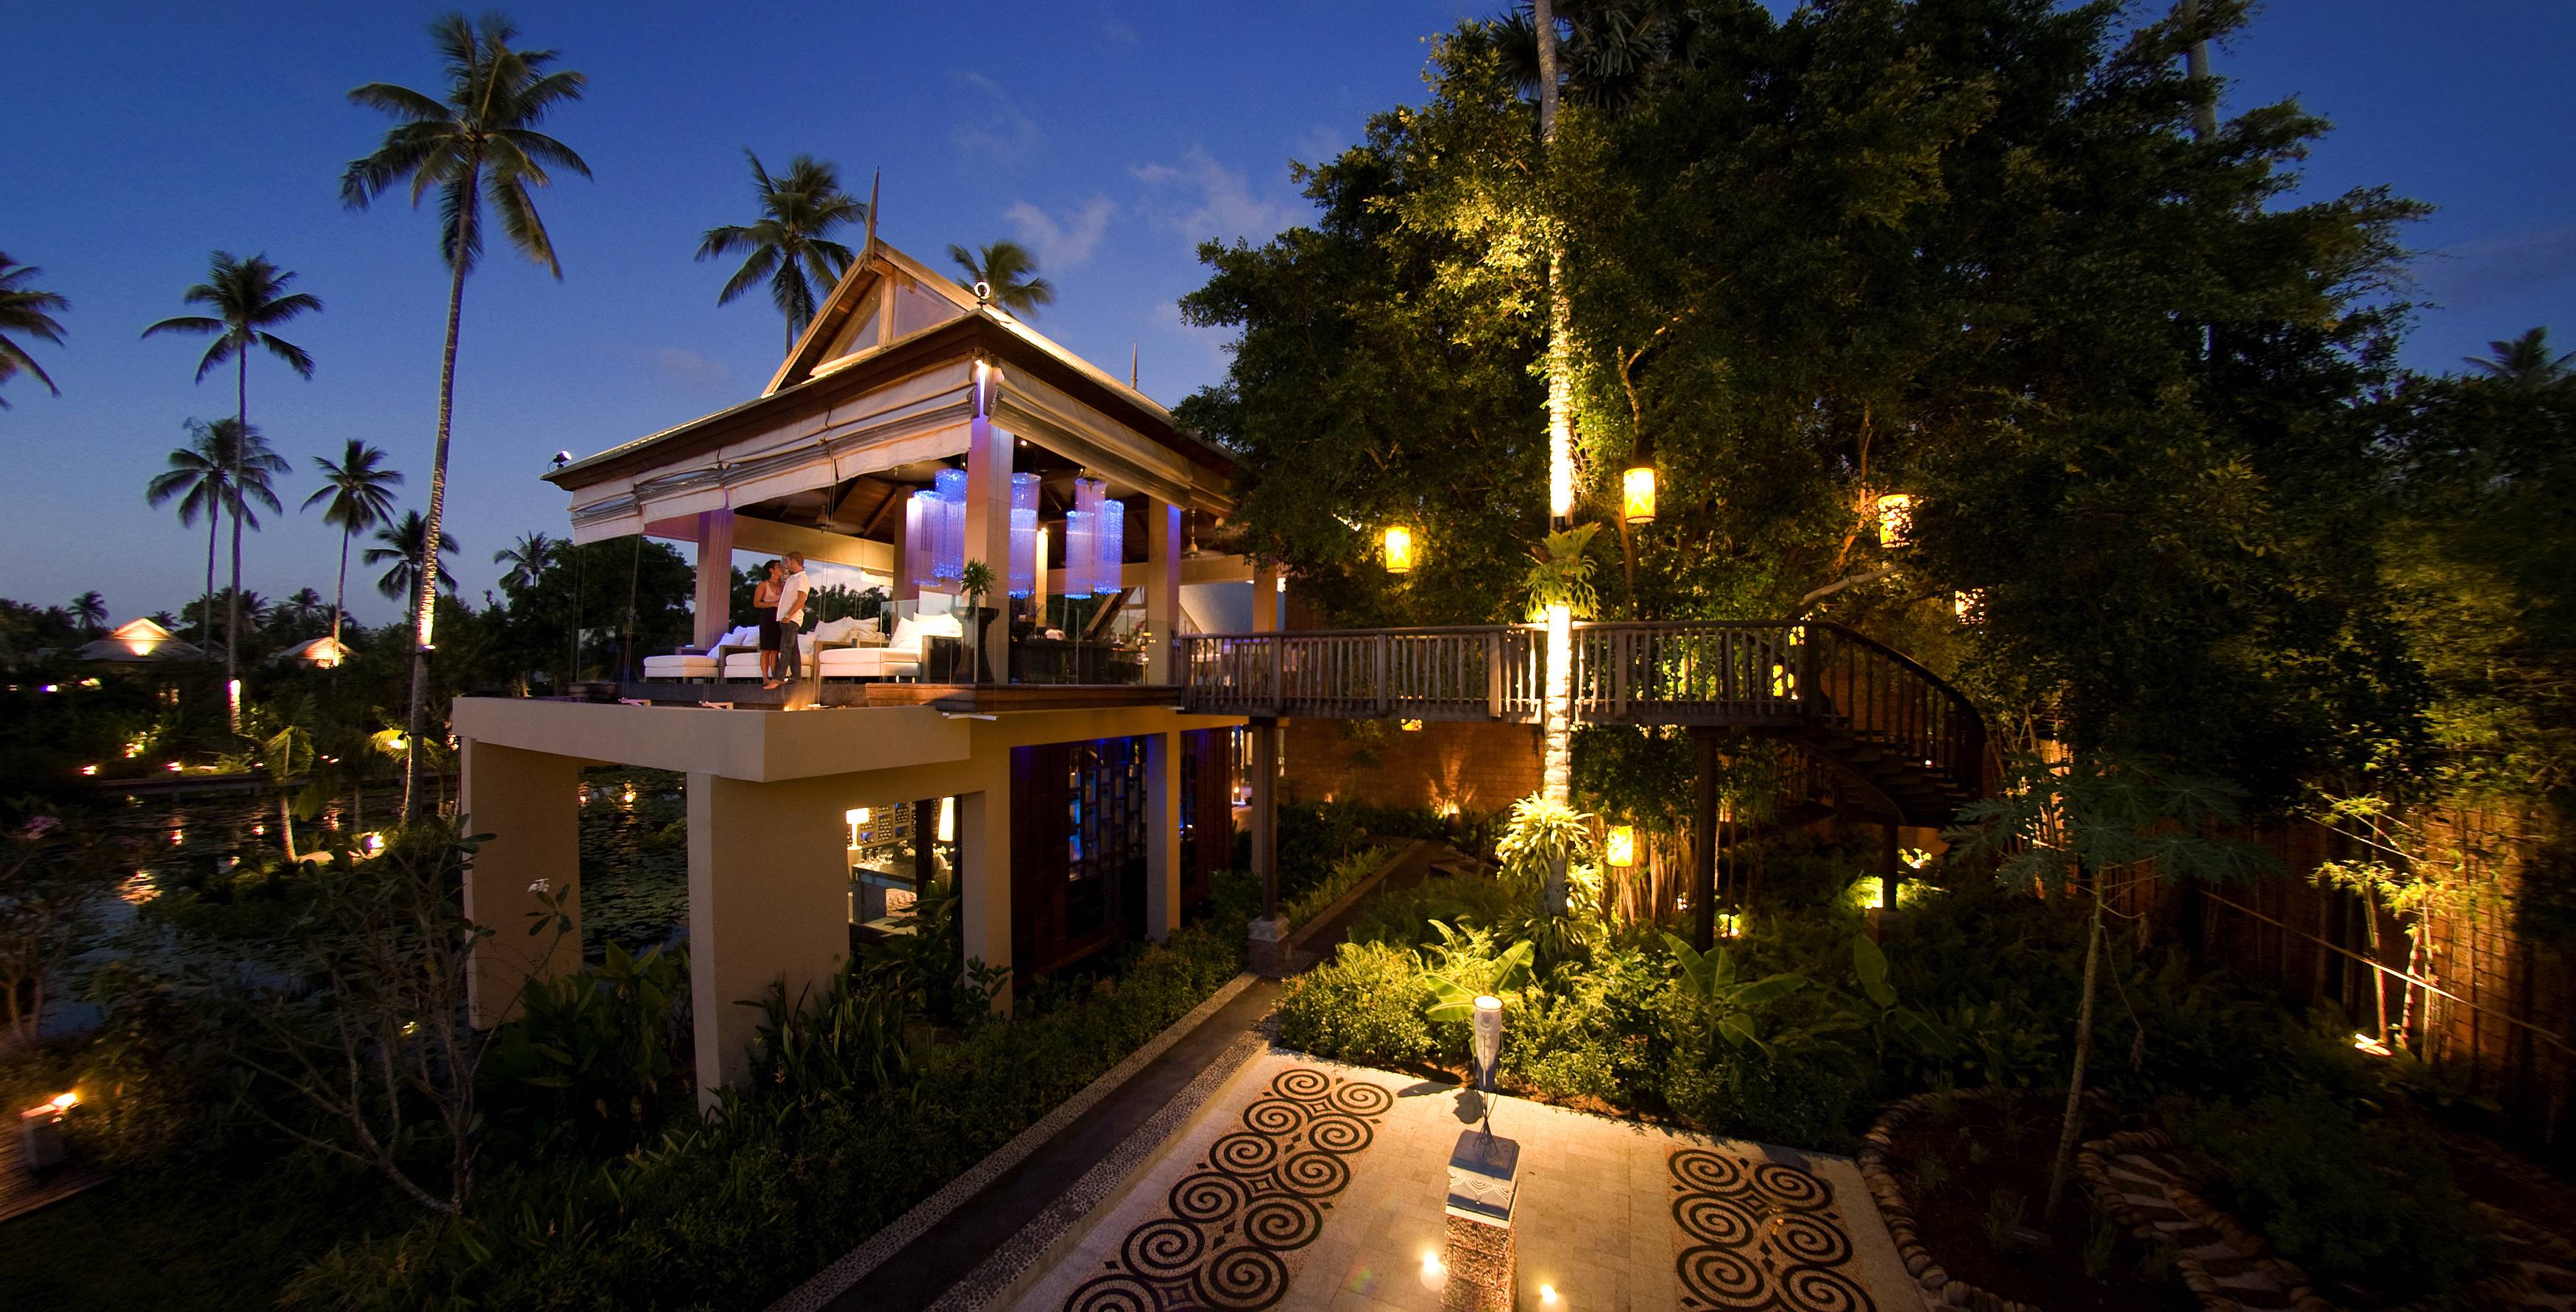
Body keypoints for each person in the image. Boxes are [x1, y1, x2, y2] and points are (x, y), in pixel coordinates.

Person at [767, 551, 810, 690]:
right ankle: (796, 677)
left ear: (794, 561)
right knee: (793, 650)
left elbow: (801, 599)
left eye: (788, 562)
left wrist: (788, 616)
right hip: (786, 619)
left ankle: (778, 678)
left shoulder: (802, 578)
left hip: (791, 619)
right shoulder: (793, 578)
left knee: (785, 648)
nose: (786, 565)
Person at [752, 560, 783, 684]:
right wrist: (772, 604)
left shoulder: (784, 585)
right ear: (772, 570)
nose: (781, 568)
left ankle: (775, 677)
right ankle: (765, 677)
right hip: (768, 616)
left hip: (780, 617)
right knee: (766, 649)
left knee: (775, 649)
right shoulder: (763, 585)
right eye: (778, 567)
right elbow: (756, 603)